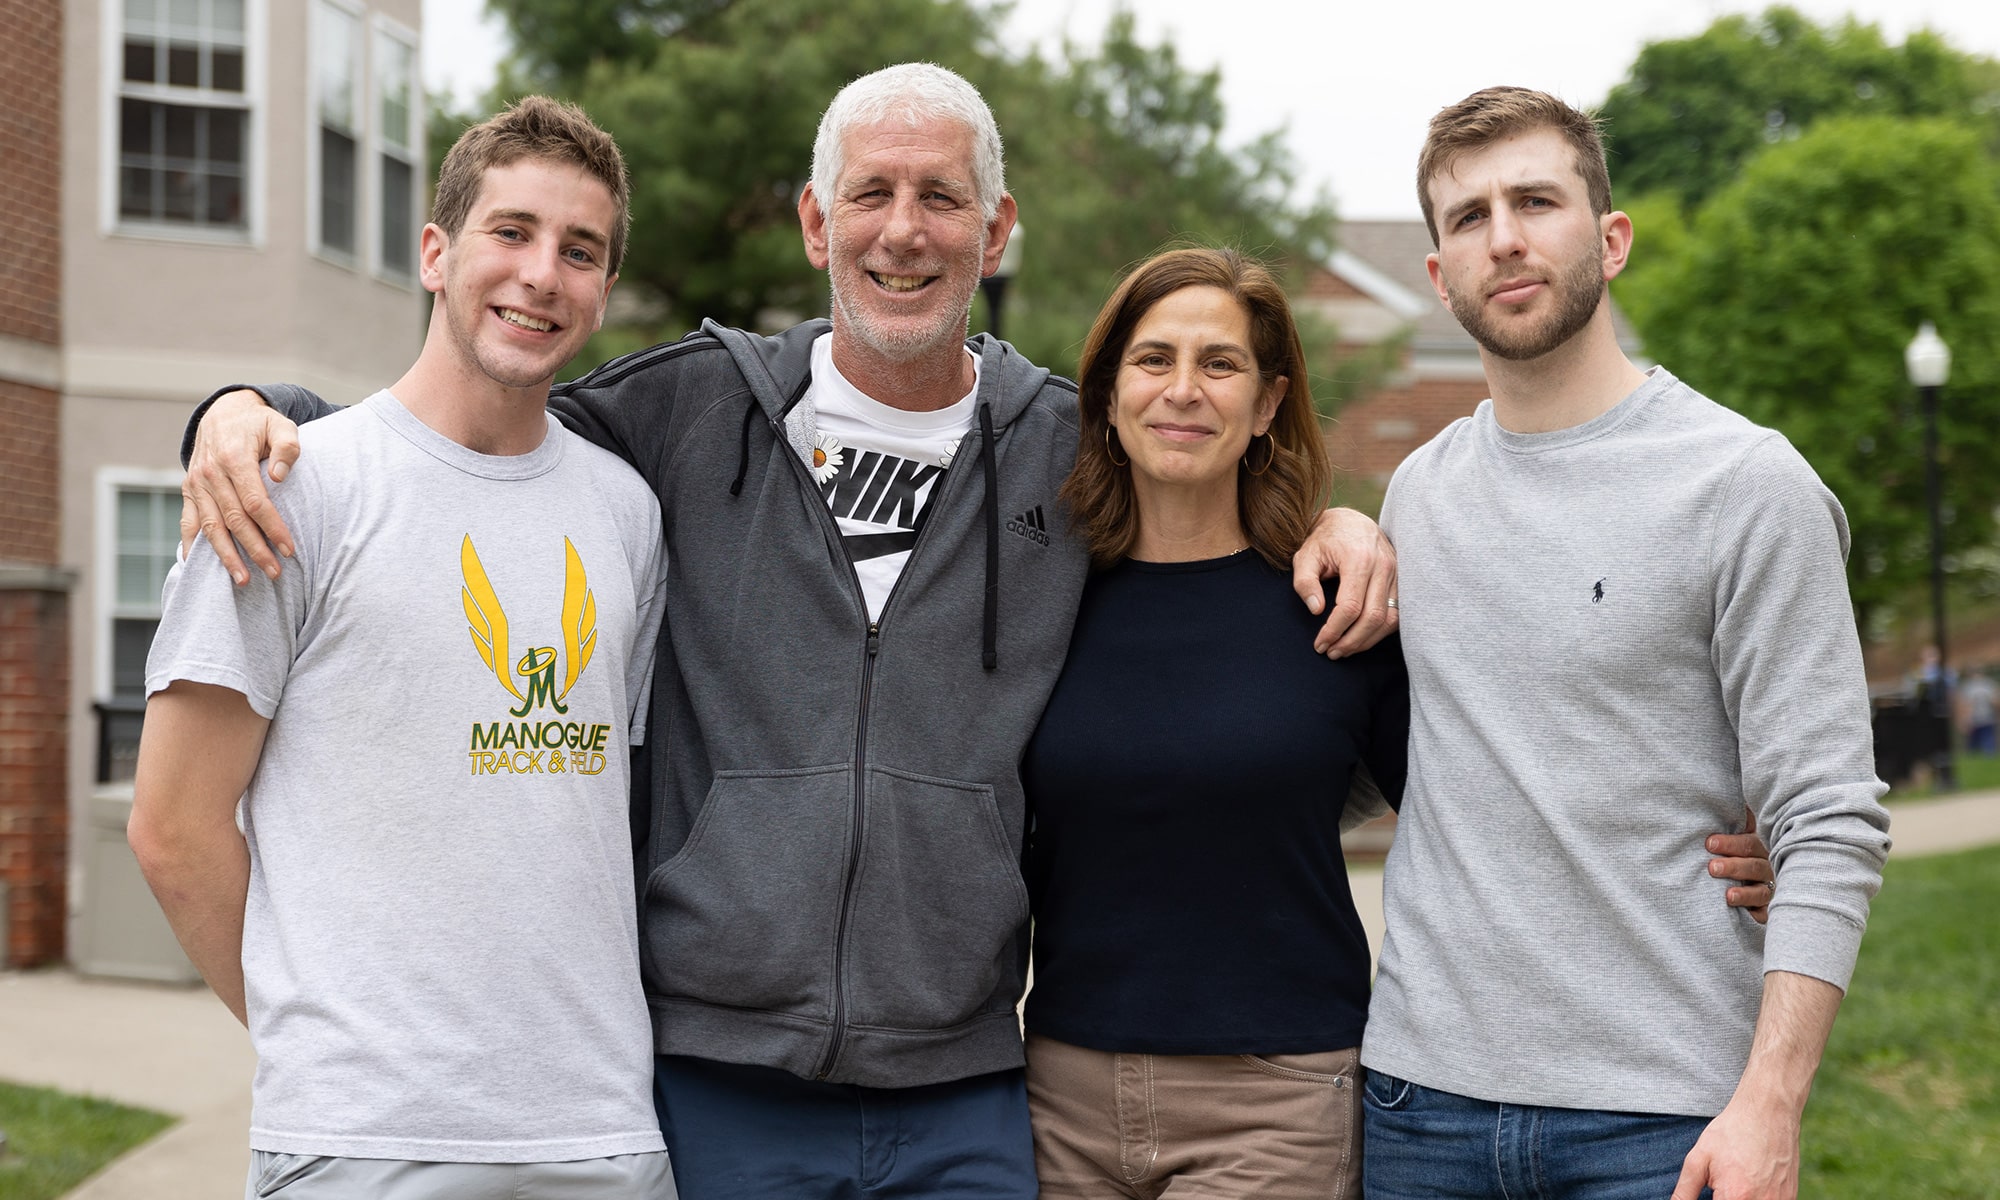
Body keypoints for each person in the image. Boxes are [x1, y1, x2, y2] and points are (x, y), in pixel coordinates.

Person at [172, 64, 1398, 1200]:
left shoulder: (1070, 450)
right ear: (818, 225)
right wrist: (246, 414)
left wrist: (1337, 523)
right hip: (714, 1075)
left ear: (996, 229)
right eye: (869, 192)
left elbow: (1208, 504)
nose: (902, 228)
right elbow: (458, 427)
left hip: (961, 1085)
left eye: (939, 197)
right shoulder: (681, 414)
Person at [1017, 248, 1775, 1200]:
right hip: (1059, 1094)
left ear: (1265, 405)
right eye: (1152, 359)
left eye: (1219, 364)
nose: (1182, 390)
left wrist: (1743, 842)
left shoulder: (1341, 612)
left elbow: (1498, 800)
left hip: (1274, 1102)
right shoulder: (1040, 606)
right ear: (1108, 394)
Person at [130, 98, 676, 1198]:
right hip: (364, 1141)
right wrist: (326, 1038)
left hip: (602, 1136)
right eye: (510, 232)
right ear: (435, 252)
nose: (541, 274)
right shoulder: (292, 485)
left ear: (603, 289)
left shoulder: (625, 512)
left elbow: (598, 811)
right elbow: (172, 826)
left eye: (579, 251)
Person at [1359, 86, 1892, 1200]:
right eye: (1466, 217)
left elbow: (1827, 818)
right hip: (1418, 1108)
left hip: (1661, 1119)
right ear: (1436, 276)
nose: (1501, 236)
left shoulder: (1744, 486)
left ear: (1609, 240)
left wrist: (1770, 1103)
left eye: (1535, 201)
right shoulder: (1413, 497)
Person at [1960, 667, 1997, 756]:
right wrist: (1965, 720)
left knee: (1988, 746)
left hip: (1987, 719)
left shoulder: (1988, 685)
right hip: (1974, 720)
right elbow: (1964, 705)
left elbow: (1995, 701)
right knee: (1972, 747)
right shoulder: (1968, 687)